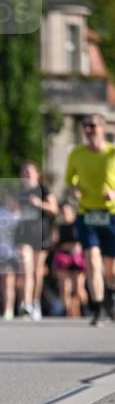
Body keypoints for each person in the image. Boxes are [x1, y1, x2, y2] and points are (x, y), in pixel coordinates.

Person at [64, 113, 115, 326]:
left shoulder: (112, 153)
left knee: (111, 268)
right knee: (92, 260)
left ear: (103, 128)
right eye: (85, 126)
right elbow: (70, 180)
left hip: (111, 214)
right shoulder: (77, 154)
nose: (88, 130)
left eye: (92, 125)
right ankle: (98, 308)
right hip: (87, 213)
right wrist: (74, 190)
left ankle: (111, 297)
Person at [14, 162, 58, 320]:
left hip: (40, 234)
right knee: (25, 269)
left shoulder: (43, 189)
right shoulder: (17, 192)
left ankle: (35, 302)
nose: (27, 174)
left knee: (36, 272)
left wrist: (39, 204)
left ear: (37, 174)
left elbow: (54, 209)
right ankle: (25, 304)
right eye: (24, 171)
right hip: (22, 235)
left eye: (30, 171)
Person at [0, 188, 20, 320]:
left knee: (18, 283)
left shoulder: (22, 214)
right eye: (7, 198)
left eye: (12, 198)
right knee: (6, 281)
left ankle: (23, 307)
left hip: (19, 253)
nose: (9, 201)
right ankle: (8, 309)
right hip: (3, 252)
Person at [51, 201, 87, 318]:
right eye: (63, 211)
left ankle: (83, 308)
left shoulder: (78, 225)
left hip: (77, 256)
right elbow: (54, 243)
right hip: (62, 256)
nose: (65, 213)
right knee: (65, 287)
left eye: (67, 211)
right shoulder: (58, 226)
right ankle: (68, 312)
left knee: (79, 288)